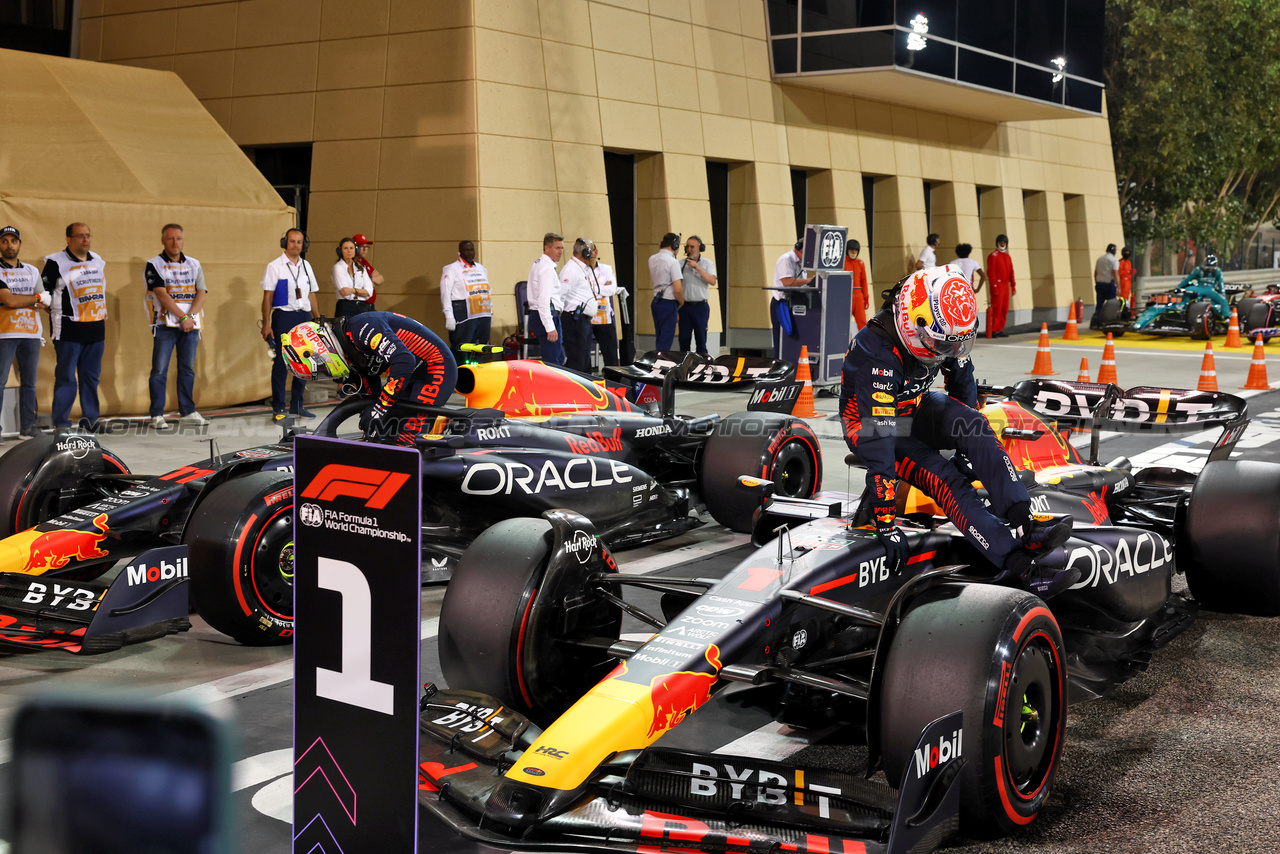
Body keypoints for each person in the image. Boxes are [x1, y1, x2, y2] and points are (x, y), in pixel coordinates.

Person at [840, 266, 1076, 598]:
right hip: (872, 424)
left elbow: (962, 385)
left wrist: (966, 449)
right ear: (914, 322)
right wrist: (885, 519)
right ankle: (1021, 568)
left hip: (914, 405)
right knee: (946, 479)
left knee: (975, 426)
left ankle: (1027, 523)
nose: (948, 351)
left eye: (955, 343)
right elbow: (879, 438)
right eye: (941, 343)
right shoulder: (875, 351)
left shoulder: (945, 325)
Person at [280, 312, 456, 446]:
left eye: (321, 369)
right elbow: (371, 390)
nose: (327, 372)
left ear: (320, 350)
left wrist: (380, 407)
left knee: (407, 438)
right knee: (383, 431)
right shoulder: (347, 351)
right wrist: (374, 410)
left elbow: (404, 361)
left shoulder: (363, 328)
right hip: (410, 374)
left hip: (435, 365)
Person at [42, 222, 107, 432]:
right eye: (80, 236)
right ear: (69, 239)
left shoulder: (97, 260)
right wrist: (56, 314)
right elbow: (44, 296)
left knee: (91, 378)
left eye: (88, 235)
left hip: (95, 330)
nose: (85, 239)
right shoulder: (55, 262)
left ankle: (91, 421)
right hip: (68, 330)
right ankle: (61, 423)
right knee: (66, 377)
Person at [146, 224, 209, 430]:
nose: (175, 242)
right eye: (171, 239)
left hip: (190, 325)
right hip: (165, 324)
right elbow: (161, 294)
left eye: (179, 238)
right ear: (163, 241)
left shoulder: (194, 263)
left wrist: (189, 317)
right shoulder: (153, 264)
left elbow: (201, 291)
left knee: (187, 369)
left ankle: (188, 411)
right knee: (159, 370)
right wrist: (183, 317)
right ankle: (156, 414)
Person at [261, 228, 321, 422]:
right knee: (281, 362)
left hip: (303, 316)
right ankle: (278, 406)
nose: (296, 245)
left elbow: (311, 294)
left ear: (304, 245)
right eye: (292, 241)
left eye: (299, 242)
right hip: (284, 316)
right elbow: (267, 296)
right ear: (285, 242)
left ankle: (297, 404)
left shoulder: (306, 266)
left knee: (304, 362)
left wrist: (317, 318)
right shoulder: (274, 266)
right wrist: (267, 323)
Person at [0, 226, 50, 440]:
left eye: (13, 241)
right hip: (4, 334)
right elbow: (10, 300)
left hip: (30, 332)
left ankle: (27, 428)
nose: (9, 245)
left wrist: (38, 300)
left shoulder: (31, 270)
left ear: (20, 244)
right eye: (4, 241)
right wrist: (36, 299)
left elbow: (47, 303)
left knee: (29, 383)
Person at [440, 240, 492, 363]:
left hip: (482, 313)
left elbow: (486, 290)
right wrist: (449, 315)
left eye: (471, 250)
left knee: (481, 347)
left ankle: (480, 375)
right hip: (463, 311)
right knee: (462, 347)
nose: (470, 253)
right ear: (459, 252)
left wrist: (491, 310)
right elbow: (445, 292)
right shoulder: (452, 269)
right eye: (466, 250)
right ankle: (459, 376)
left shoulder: (481, 269)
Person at [559, 238, 598, 373]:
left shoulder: (581, 268)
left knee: (585, 360)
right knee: (577, 360)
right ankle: (573, 392)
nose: (594, 254)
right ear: (586, 253)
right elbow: (561, 295)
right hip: (574, 321)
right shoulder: (571, 270)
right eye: (592, 250)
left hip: (582, 321)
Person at [770, 240, 814, 358]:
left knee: (794, 338)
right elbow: (787, 281)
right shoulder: (786, 259)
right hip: (782, 303)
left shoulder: (801, 263)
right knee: (782, 337)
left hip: (796, 302)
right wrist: (807, 281)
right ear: (799, 249)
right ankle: (779, 364)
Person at [527, 232, 565, 365]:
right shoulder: (546, 269)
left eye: (561, 248)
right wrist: (550, 327)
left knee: (558, 358)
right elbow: (543, 300)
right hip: (546, 315)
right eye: (557, 248)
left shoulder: (538, 264)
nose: (560, 252)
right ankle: (553, 386)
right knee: (553, 362)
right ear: (546, 248)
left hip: (542, 314)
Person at [678, 236, 717, 356]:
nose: (689, 249)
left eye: (692, 247)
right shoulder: (680, 264)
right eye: (687, 247)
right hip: (685, 307)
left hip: (700, 307)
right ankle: (684, 367)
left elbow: (712, 281)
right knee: (684, 339)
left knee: (701, 339)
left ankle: (703, 365)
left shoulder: (707, 263)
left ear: (700, 248)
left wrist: (697, 267)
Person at [587, 246, 622, 369]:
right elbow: (582, 291)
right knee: (584, 353)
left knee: (610, 354)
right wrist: (602, 288)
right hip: (587, 316)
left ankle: (612, 382)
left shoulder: (606, 269)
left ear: (596, 252)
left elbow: (612, 289)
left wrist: (593, 289)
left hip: (604, 317)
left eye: (590, 250)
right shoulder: (581, 270)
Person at [648, 233, 684, 351]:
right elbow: (677, 289)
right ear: (675, 246)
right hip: (668, 302)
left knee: (660, 336)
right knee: (666, 338)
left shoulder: (652, 259)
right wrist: (681, 302)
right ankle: (660, 364)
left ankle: (657, 361)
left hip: (656, 301)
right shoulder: (673, 262)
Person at [331, 238, 374, 319]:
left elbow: (369, 291)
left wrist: (353, 290)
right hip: (345, 307)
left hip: (362, 307)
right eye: (345, 248)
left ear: (356, 250)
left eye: (351, 248)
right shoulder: (338, 268)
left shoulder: (360, 267)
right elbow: (344, 292)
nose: (349, 251)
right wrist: (361, 291)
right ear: (340, 251)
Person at [986, 234, 1015, 337]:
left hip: (1005, 285)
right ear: (997, 243)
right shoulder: (993, 256)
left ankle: (1000, 328)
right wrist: (994, 286)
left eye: (1004, 243)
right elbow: (991, 272)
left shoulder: (1007, 256)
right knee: (996, 309)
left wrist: (1013, 285)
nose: (1003, 244)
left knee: (1004, 308)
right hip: (997, 285)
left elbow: (1011, 271)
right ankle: (993, 329)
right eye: (1001, 242)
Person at [1092, 244, 1120, 328]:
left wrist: (1096, 282)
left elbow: (1095, 272)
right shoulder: (1114, 260)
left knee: (1099, 304)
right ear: (1114, 250)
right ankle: (1111, 322)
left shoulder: (1100, 259)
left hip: (1099, 284)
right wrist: (1118, 286)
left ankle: (1097, 322)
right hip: (1109, 284)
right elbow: (1115, 273)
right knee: (1112, 304)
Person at [844, 239, 869, 331]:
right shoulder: (843, 263)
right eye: (851, 250)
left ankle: (864, 342)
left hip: (859, 296)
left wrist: (866, 298)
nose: (853, 252)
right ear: (847, 251)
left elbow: (864, 281)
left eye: (855, 250)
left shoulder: (860, 263)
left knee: (862, 321)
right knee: (844, 321)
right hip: (846, 295)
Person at [352, 233, 382, 308]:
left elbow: (381, 279)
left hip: (369, 306)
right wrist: (371, 281)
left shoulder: (364, 262)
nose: (365, 249)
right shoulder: (351, 264)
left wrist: (370, 279)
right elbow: (359, 287)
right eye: (362, 246)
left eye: (367, 247)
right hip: (358, 305)